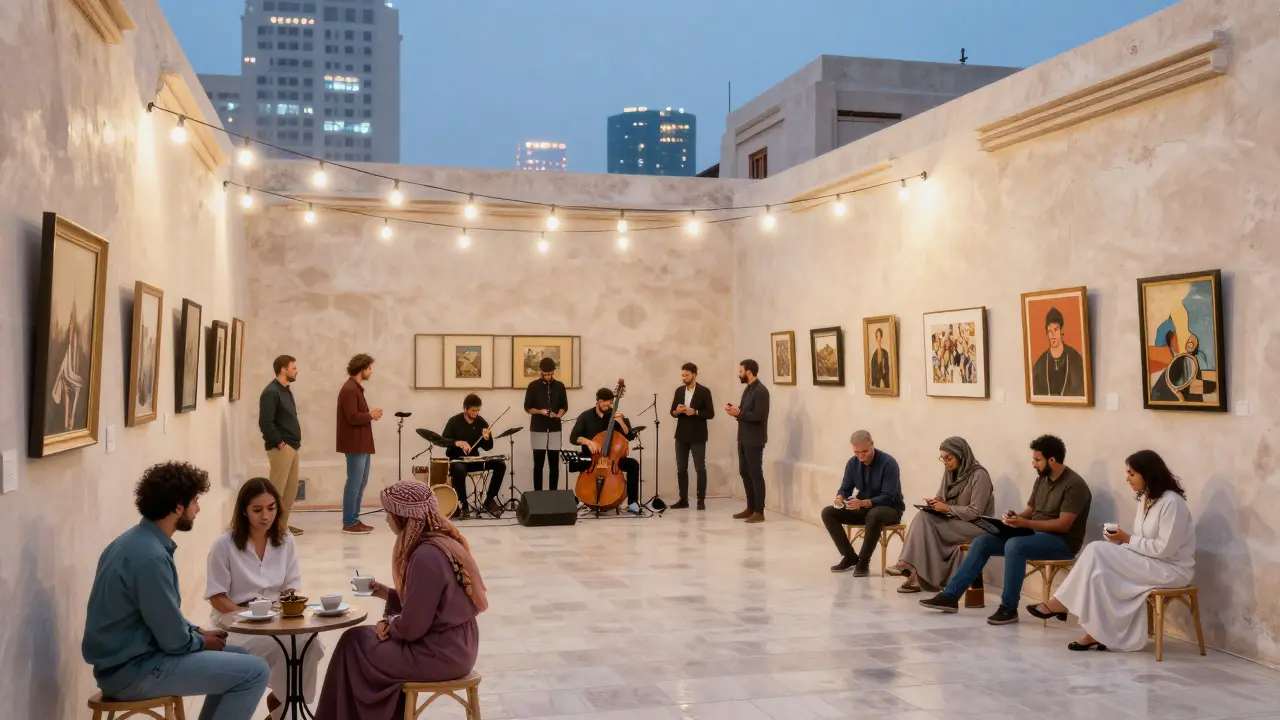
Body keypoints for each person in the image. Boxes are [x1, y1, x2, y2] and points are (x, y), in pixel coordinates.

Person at [82, 462, 269, 720]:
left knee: (239, 656)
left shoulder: (130, 542)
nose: (198, 508)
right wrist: (201, 641)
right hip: (135, 671)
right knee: (255, 671)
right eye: (195, 501)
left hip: (123, 664)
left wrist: (199, 632)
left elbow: (162, 617)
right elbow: (173, 641)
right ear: (177, 507)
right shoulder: (150, 558)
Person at [314, 482, 485, 720]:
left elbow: (413, 629)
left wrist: (389, 625)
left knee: (353, 642)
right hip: (458, 645)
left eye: (389, 514)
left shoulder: (425, 555)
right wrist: (389, 594)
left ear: (404, 518)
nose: (387, 520)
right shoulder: (444, 542)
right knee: (359, 640)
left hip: (439, 654)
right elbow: (436, 604)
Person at [1027, 450, 1195, 652]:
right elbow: (1143, 540)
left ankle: (1061, 602)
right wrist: (1120, 543)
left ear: (1148, 474)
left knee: (1096, 549)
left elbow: (1164, 549)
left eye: (1132, 474)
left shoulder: (1172, 503)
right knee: (1099, 572)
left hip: (1170, 569)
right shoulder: (1145, 499)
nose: (1127, 479)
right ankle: (1095, 634)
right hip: (1148, 561)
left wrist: (1127, 539)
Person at [920, 434, 1092, 625]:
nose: (1033, 464)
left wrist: (1025, 524)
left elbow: (1063, 525)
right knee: (983, 541)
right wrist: (1014, 518)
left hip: (1061, 542)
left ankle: (1008, 607)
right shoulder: (1042, 479)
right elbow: (1030, 511)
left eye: (1037, 460)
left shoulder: (1074, 485)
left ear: (1052, 460)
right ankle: (950, 596)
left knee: (1015, 545)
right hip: (1034, 535)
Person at [205, 479, 324, 719]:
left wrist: (282, 611)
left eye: (271, 508)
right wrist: (250, 618)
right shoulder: (224, 545)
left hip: (275, 617)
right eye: (257, 510)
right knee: (277, 646)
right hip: (235, 622)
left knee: (311, 643)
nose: (266, 516)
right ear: (244, 511)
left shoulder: (285, 539)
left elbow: (291, 587)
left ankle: (281, 702)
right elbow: (218, 597)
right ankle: (284, 704)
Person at [887, 437, 993, 593]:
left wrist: (947, 508)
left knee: (928, 526)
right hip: (955, 521)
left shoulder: (979, 475)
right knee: (924, 516)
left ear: (961, 455)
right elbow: (943, 498)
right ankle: (915, 571)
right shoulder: (951, 473)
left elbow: (976, 512)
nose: (946, 462)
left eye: (949, 458)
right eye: (943, 459)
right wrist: (935, 503)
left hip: (977, 525)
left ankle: (914, 571)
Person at [820, 431, 905, 575]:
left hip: (889, 509)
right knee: (828, 512)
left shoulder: (889, 463)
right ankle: (849, 557)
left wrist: (863, 502)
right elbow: (846, 488)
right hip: (863, 508)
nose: (861, 456)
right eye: (856, 452)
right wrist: (840, 498)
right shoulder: (852, 463)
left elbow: (889, 496)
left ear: (872, 444)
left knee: (875, 514)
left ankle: (864, 561)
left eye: (864, 451)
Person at [570, 387, 641, 513]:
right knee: (574, 461)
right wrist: (588, 441)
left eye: (609, 402)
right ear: (597, 401)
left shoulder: (616, 416)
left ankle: (632, 502)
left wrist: (621, 422)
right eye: (604, 402)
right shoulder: (585, 416)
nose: (607, 405)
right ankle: (582, 497)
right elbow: (573, 438)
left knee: (633, 465)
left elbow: (629, 436)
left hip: (613, 459)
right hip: (592, 458)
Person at [336, 353, 383, 534]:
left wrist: (370, 415)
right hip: (355, 444)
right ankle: (349, 521)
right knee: (354, 483)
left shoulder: (355, 388)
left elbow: (357, 416)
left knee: (361, 483)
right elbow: (352, 417)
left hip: (361, 443)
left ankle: (355, 518)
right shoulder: (349, 389)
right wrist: (370, 415)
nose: (371, 372)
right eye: (369, 368)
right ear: (362, 369)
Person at [442, 394, 507, 519]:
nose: (476, 413)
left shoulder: (481, 422)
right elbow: (443, 441)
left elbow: (488, 447)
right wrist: (458, 443)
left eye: (478, 410)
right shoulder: (454, 422)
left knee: (500, 464)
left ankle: (489, 500)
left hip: (474, 461)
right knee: (458, 469)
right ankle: (463, 504)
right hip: (458, 460)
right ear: (465, 409)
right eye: (473, 410)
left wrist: (488, 438)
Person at [259, 354, 304, 535]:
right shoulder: (271, 392)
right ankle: (268, 527)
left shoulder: (286, 390)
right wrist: (280, 444)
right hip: (281, 448)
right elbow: (266, 422)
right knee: (276, 489)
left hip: (292, 447)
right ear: (283, 369)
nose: (296, 370)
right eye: (293, 367)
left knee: (291, 490)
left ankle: (281, 525)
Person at [726, 359, 769, 523]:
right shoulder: (748, 389)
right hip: (743, 437)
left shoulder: (761, 391)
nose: (739, 374)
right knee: (744, 472)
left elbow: (758, 416)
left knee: (756, 474)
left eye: (741, 371)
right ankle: (750, 507)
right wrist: (735, 411)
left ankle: (759, 510)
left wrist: (739, 413)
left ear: (749, 372)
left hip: (755, 439)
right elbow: (744, 412)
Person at [669, 362, 715, 510]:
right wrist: (677, 411)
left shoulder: (704, 391)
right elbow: (672, 412)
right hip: (681, 435)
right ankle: (683, 499)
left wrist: (694, 412)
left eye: (687, 375)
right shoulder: (679, 391)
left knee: (700, 468)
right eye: (683, 375)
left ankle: (701, 499)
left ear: (694, 375)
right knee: (681, 468)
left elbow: (710, 413)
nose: (684, 377)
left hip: (698, 435)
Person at [523, 357, 569, 490]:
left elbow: (564, 406)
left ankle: (553, 495)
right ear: (541, 372)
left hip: (555, 428)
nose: (548, 377)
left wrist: (558, 415)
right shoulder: (533, 386)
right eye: (545, 374)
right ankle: (538, 495)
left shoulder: (560, 386)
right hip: (538, 428)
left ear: (553, 372)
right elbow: (528, 407)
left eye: (550, 374)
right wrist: (541, 411)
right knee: (538, 464)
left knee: (554, 464)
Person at [1030, 307, 1086, 397]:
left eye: (1056, 330)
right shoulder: (1040, 364)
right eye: (1049, 331)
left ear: (1062, 330)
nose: (1052, 335)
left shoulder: (1075, 359)